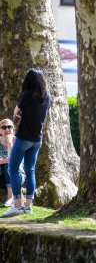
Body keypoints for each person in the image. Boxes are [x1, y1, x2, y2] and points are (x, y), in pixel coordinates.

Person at [3, 69, 51, 216]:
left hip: (23, 137)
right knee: (30, 170)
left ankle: (17, 204)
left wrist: (18, 115)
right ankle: (28, 206)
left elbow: (16, 112)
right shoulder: (48, 97)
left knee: (12, 169)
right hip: (37, 139)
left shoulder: (27, 95)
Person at [0, 119, 26, 207]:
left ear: (13, 129)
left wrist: (10, 142)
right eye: (4, 127)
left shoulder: (19, 142)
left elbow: (12, 160)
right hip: (1, 177)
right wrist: (4, 160)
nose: (7, 129)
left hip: (17, 176)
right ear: (0, 131)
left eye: (9, 127)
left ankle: (11, 197)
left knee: (9, 165)